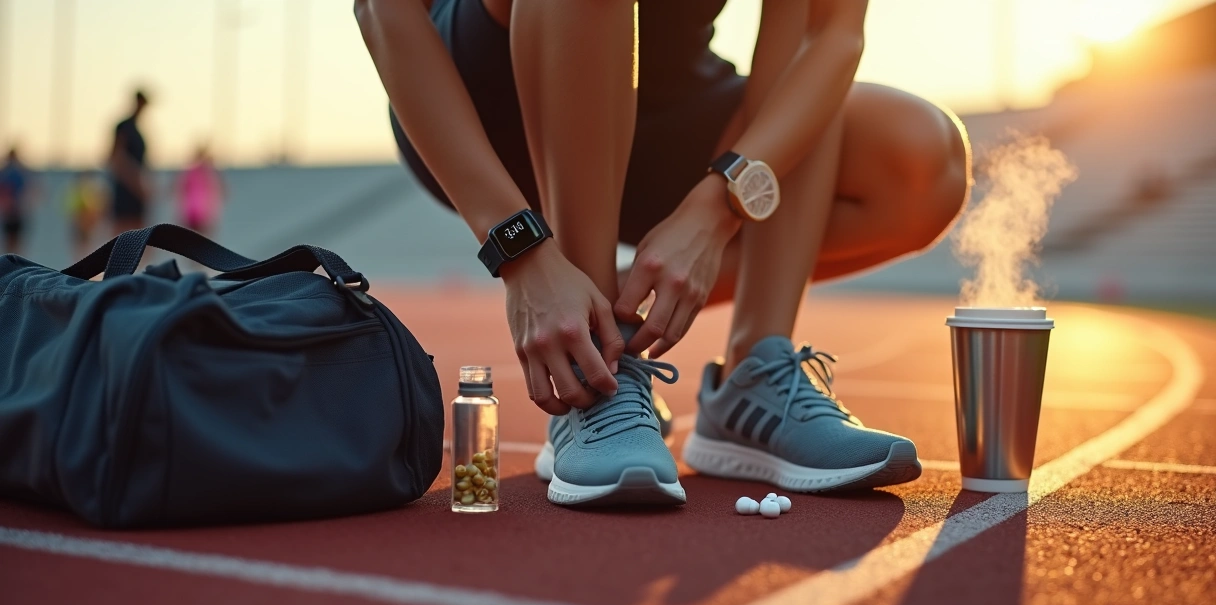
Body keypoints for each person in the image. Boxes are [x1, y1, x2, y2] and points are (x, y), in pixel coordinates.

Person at [357, 0, 971, 507]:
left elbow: (823, 31)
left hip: (670, 106)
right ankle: (595, 374)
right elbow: (381, 7)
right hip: (483, 107)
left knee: (923, 162)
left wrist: (718, 208)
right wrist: (519, 252)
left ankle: (753, 370)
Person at [107, 90, 152, 235]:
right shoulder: (124, 127)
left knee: (139, 234)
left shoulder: (139, 131)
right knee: (121, 233)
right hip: (125, 189)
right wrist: (135, 182)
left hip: (137, 191)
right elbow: (115, 158)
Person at [176, 145, 225, 237]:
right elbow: (221, 188)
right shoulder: (209, 171)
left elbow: (180, 188)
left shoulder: (190, 170)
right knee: (205, 239)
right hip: (203, 210)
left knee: (190, 239)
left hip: (191, 210)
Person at [65, 170, 108, 259]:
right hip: (82, 225)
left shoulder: (93, 188)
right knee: (81, 248)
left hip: (88, 225)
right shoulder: (78, 190)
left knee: (89, 248)